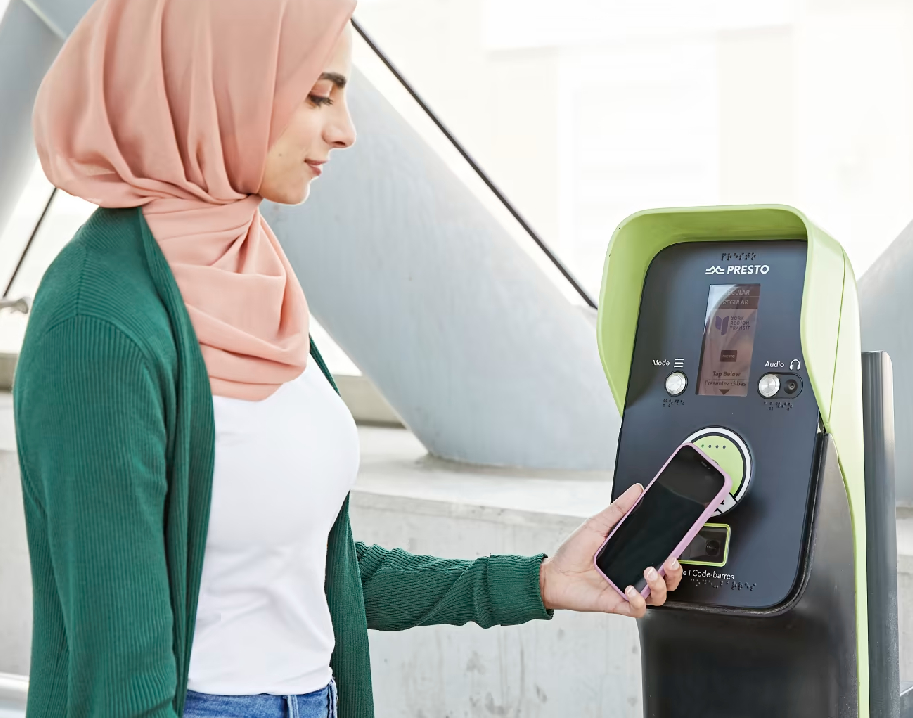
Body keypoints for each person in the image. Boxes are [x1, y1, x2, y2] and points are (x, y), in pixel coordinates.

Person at [16, 0, 679, 716]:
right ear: (214, 83)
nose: (345, 129)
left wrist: (539, 579)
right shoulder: (98, 324)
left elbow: (318, 573)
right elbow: (121, 679)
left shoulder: (258, 276)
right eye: (316, 93)